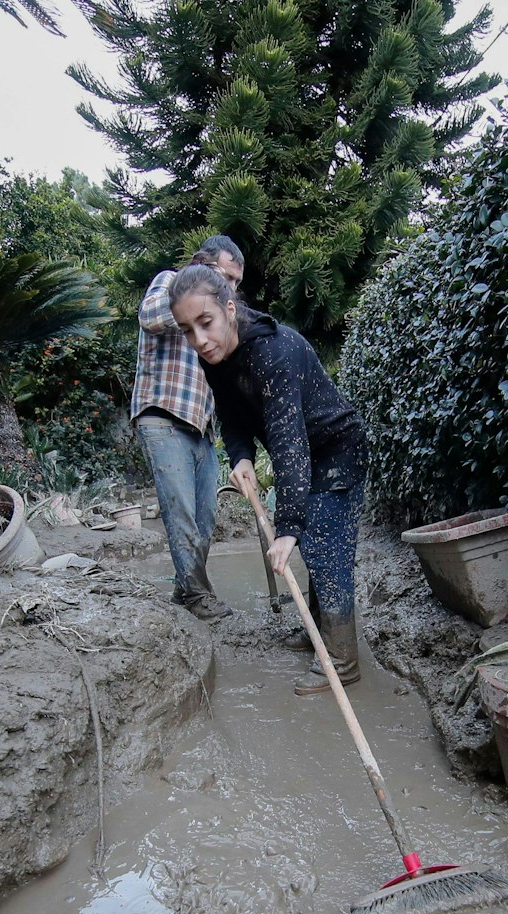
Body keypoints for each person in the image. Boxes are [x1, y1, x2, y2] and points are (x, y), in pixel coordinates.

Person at [166, 262, 366, 695]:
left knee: (325, 550)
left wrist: (288, 527)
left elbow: (289, 442)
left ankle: (341, 661)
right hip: (305, 451)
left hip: (337, 450)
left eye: (206, 323)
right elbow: (231, 414)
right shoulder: (216, 357)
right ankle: (319, 634)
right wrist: (240, 456)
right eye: (187, 330)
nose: (199, 340)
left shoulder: (273, 353)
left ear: (229, 309)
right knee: (317, 547)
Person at [132, 236, 246, 619]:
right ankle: (199, 596)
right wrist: (195, 301)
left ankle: (185, 592)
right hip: (162, 415)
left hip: (202, 427)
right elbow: (149, 315)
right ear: (200, 263)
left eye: (235, 281)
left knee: (205, 518)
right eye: (224, 275)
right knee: (180, 511)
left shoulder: (220, 319)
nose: (230, 286)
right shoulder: (169, 281)